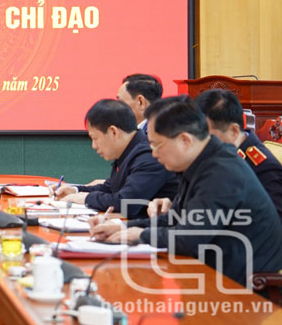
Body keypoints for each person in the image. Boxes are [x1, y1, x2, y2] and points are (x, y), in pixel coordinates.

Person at [90, 96, 282, 288]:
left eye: (157, 145)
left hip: (246, 288)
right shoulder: (199, 163)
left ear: (185, 140)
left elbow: (190, 238)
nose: (153, 153)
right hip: (214, 275)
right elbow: (174, 219)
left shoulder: (221, 171)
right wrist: (123, 227)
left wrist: (140, 235)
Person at [55, 99, 178, 218]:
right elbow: (111, 188)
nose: (94, 146)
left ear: (113, 132)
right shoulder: (129, 151)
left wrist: (87, 198)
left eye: (95, 138)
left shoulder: (148, 156)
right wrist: (75, 190)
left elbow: (127, 203)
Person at [196, 88, 282, 223]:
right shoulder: (214, 157)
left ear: (234, 131)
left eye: (207, 136)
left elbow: (273, 221)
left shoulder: (263, 167)